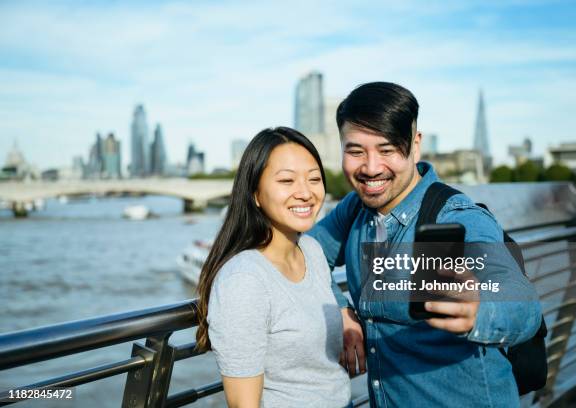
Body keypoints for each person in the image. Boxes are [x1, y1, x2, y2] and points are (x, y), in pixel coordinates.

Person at [308, 82, 542, 407]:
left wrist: (479, 310)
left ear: (415, 146)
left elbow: (523, 304)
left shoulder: (456, 217)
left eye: (388, 149)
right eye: (356, 151)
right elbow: (305, 252)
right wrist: (342, 309)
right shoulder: (354, 208)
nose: (371, 167)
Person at [195, 127, 351, 408]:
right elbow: (244, 405)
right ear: (255, 194)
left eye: (314, 179)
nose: (305, 192)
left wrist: (345, 311)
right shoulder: (244, 279)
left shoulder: (312, 251)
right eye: (287, 180)